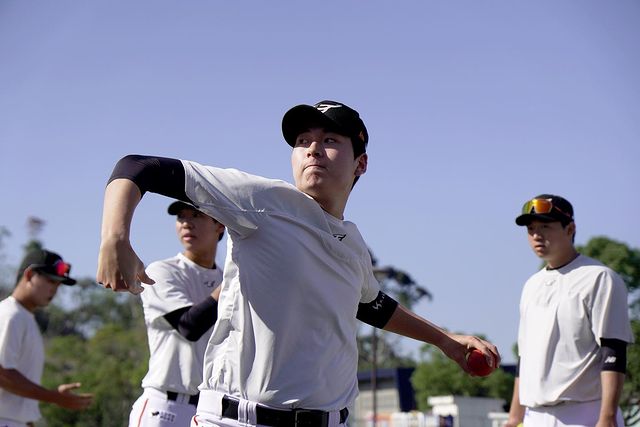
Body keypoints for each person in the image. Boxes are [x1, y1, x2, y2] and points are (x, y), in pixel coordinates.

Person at [97, 100, 500, 427]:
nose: (312, 148)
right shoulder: (261, 201)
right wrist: (115, 237)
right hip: (239, 420)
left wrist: (446, 341)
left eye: (329, 139)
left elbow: (373, 306)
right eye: (302, 140)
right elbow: (137, 167)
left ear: (360, 163)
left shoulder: (352, 242)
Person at [505, 195, 634, 427]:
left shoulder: (599, 277)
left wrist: (607, 417)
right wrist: (514, 418)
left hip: (584, 414)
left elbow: (613, 352)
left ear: (570, 228)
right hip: (533, 415)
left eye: (546, 226)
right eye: (531, 228)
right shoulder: (531, 285)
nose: (536, 235)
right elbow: (524, 358)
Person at [129, 201, 225, 427]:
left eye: (195, 215)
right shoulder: (162, 271)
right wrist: (235, 279)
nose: (186, 223)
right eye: (181, 216)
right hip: (165, 408)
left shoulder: (226, 279)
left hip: (210, 411)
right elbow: (189, 326)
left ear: (220, 224)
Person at [0, 248, 93, 427]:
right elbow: (3, 374)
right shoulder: (11, 315)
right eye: (51, 281)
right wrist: (54, 397)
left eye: (58, 285)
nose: (55, 290)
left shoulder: (24, 317)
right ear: (29, 275)